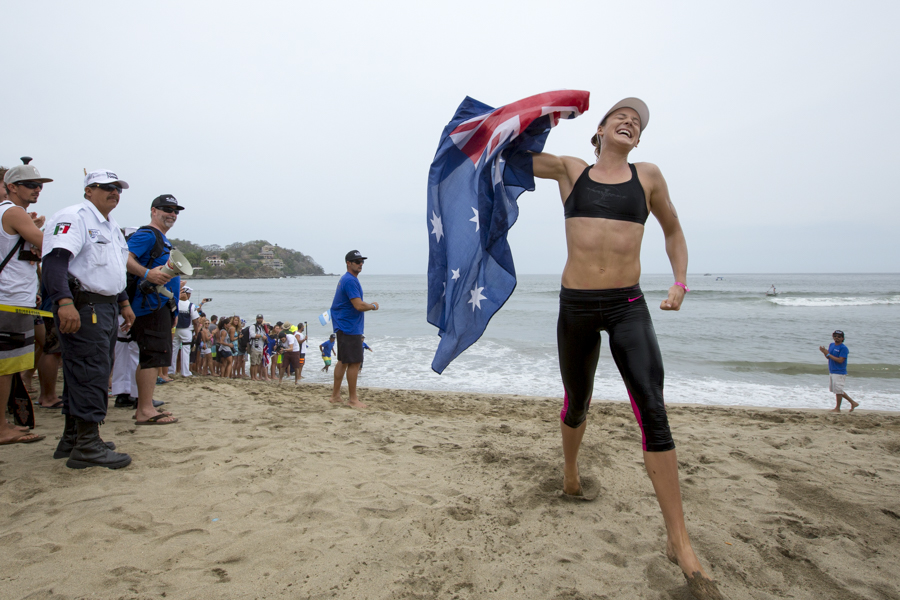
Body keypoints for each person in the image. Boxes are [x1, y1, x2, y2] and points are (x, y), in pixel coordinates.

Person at [532, 98, 721, 598]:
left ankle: (679, 542)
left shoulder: (649, 177)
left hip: (627, 306)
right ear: (599, 129)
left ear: (639, 139)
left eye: (637, 122)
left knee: (653, 412)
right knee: (577, 403)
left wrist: (680, 280)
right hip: (576, 305)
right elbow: (509, 155)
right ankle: (570, 473)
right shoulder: (571, 171)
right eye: (621, 115)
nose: (630, 121)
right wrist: (539, 114)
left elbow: (674, 230)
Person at [41, 169, 135, 467]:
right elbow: (55, 261)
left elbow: (112, 268)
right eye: (106, 187)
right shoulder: (75, 217)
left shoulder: (110, 225)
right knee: (90, 371)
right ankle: (87, 444)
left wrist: (123, 302)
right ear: (88, 190)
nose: (114, 193)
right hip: (84, 306)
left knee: (85, 370)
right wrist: (64, 301)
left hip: (105, 306)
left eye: (118, 188)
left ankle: (73, 437)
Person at [0, 159, 50, 445]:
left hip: (16, 298)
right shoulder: (13, 211)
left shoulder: (12, 214)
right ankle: (2, 427)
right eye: (31, 185)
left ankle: (4, 422)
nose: (37, 190)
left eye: (39, 186)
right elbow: (44, 243)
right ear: (12, 187)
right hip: (9, 299)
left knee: (11, 364)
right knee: (6, 367)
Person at [126, 194, 183, 425]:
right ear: (153, 211)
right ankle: (145, 410)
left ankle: (145, 405)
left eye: (175, 210)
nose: (172, 214)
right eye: (167, 209)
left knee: (151, 356)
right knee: (151, 357)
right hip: (149, 305)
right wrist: (147, 274)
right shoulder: (147, 234)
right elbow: (123, 257)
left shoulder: (161, 239)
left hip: (159, 306)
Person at [330, 250, 379, 408]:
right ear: (348, 263)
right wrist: (373, 306)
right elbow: (358, 305)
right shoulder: (350, 280)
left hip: (344, 326)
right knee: (354, 362)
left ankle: (335, 396)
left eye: (362, 261)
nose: (360, 264)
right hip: (349, 327)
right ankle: (353, 399)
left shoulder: (346, 279)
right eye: (357, 261)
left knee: (342, 361)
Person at [820, 330, 857, 413]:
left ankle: (838, 408)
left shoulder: (843, 348)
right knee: (836, 390)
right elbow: (828, 357)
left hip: (840, 372)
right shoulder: (831, 345)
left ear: (842, 338)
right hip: (832, 370)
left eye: (839, 336)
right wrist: (824, 352)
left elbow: (840, 360)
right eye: (835, 336)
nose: (837, 338)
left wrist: (828, 354)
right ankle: (853, 403)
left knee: (838, 390)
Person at [170, 286, 199, 378]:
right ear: (188, 294)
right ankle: (185, 372)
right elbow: (195, 321)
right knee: (186, 351)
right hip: (186, 330)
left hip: (175, 329)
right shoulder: (191, 305)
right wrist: (197, 333)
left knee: (174, 350)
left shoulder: (175, 303)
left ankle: (171, 370)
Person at [248, 314, 268, 381]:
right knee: (253, 363)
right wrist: (262, 336)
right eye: (259, 318)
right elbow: (252, 335)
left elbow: (264, 335)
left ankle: (255, 376)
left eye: (261, 318)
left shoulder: (262, 327)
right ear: (256, 319)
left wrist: (264, 337)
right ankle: (252, 377)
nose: (260, 319)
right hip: (254, 346)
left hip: (261, 347)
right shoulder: (253, 326)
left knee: (257, 363)